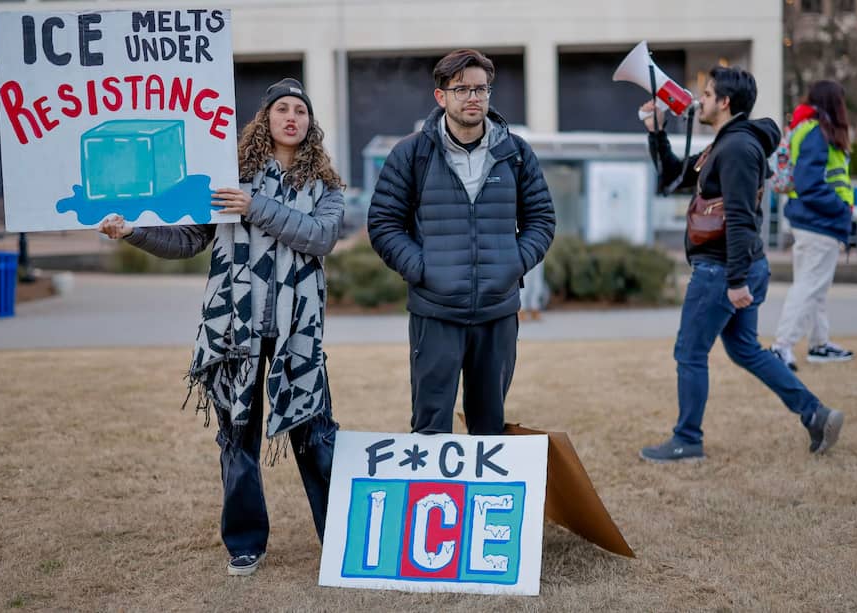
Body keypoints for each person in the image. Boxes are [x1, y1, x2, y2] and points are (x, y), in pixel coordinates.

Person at [98, 78, 344, 575]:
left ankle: (338, 537)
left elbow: (319, 238)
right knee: (238, 435)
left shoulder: (326, 188)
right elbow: (189, 239)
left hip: (297, 331)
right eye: (282, 109)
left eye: (300, 109)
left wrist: (255, 208)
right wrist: (134, 231)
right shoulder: (228, 179)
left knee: (315, 434)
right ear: (266, 120)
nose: (291, 117)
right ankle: (245, 542)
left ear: (310, 123)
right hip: (234, 327)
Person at [637, 66, 844, 464]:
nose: (701, 100)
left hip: (723, 270)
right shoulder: (728, 143)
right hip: (737, 267)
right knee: (745, 349)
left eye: (708, 93)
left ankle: (687, 440)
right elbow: (672, 176)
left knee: (690, 353)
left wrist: (734, 281)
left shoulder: (735, 149)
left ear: (725, 102)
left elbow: (740, 216)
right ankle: (816, 414)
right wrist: (656, 130)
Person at [368, 48, 555, 435]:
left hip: (497, 311)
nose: (473, 97)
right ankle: (433, 497)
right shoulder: (411, 154)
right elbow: (384, 224)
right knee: (430, 426)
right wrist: (423, 270)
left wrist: (512, 265)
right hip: (435, 312)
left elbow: (541, 220)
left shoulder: (516, 153)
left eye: (481, 89)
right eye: (462, 89)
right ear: (441, 96)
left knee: (488, 426)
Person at [770, 80, 855, 371]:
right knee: (809, 286)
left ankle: (819, 344)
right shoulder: (819, 132)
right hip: (821, 222)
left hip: (808, 221)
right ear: (835, 103)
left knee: (813, 287)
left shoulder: (805, 128)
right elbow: (810, 184)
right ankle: (782, 346)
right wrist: (841, 210)